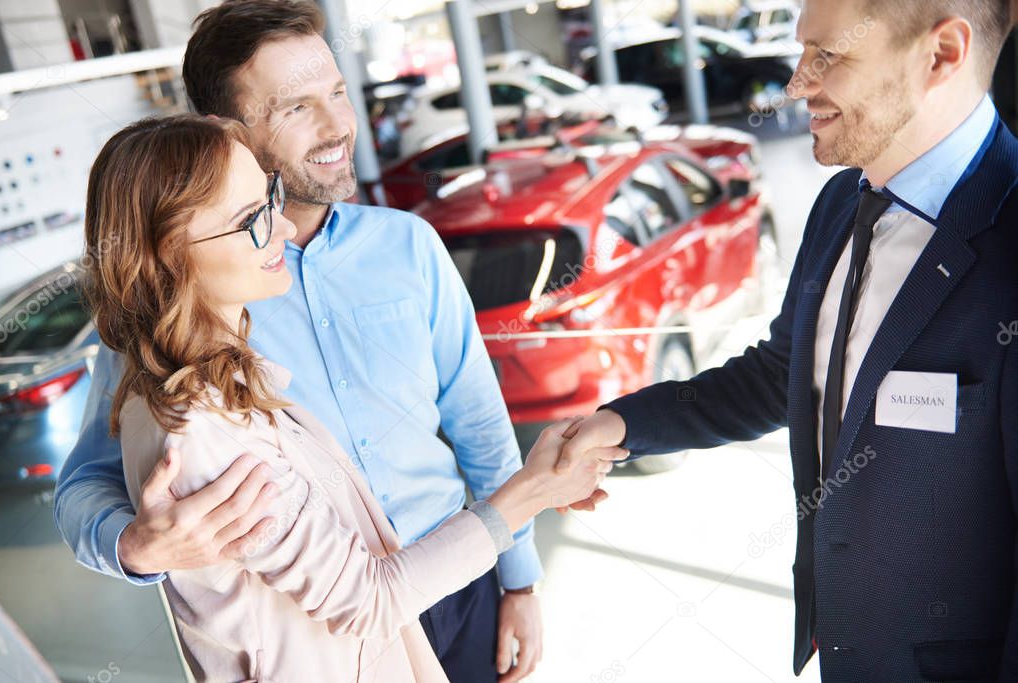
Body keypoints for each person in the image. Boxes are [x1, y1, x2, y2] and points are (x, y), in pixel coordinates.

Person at [54, 2, 581, 680]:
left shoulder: (408, 245)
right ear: (224, 131)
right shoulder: (180, 310)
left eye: (336, 91)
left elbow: (477, 421)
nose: (338, 126)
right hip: (325, 631)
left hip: (460, 579)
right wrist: (133, 545)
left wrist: (518, 579)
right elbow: (87, 482)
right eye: (295, 108)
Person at [556, 0, 1018, 680]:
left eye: (827, 58)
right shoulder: (839, 204)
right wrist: (619, 424)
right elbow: (787, 371)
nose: (796, 84)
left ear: (940, 54)